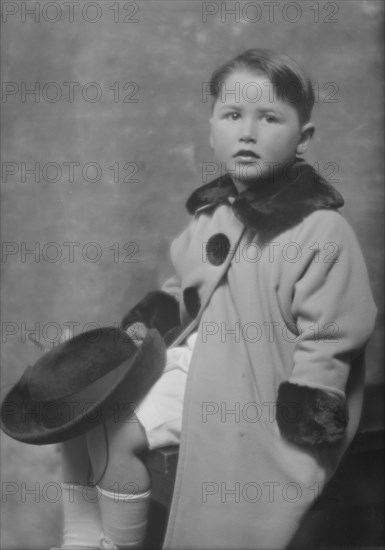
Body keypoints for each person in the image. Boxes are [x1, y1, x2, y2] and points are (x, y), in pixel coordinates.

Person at [59, 49, 377, 549]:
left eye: (269, 118)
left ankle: (114, 544)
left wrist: (310, 400)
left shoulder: (322, 230)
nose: (247, 132)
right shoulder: (213, 215)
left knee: (118, 433)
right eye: (233, 116)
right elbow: (185, 292)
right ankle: (80, 538)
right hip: (199, 358)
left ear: (303, 139)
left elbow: (334, 328)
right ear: (212, 129)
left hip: (258, 376)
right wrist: (151, 326)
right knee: (81, 410)